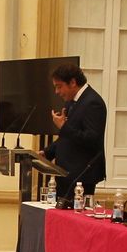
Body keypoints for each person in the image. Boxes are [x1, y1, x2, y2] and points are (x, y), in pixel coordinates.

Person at [43, 63, 106, 207]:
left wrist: (64, 126)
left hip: (81, 175)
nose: (57, 92)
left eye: (59, 86)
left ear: (72, 82)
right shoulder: (73, 102)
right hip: (66, 174)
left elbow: (91, 139)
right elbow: (68, 138)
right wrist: (47, 152)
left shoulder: (93, 102)